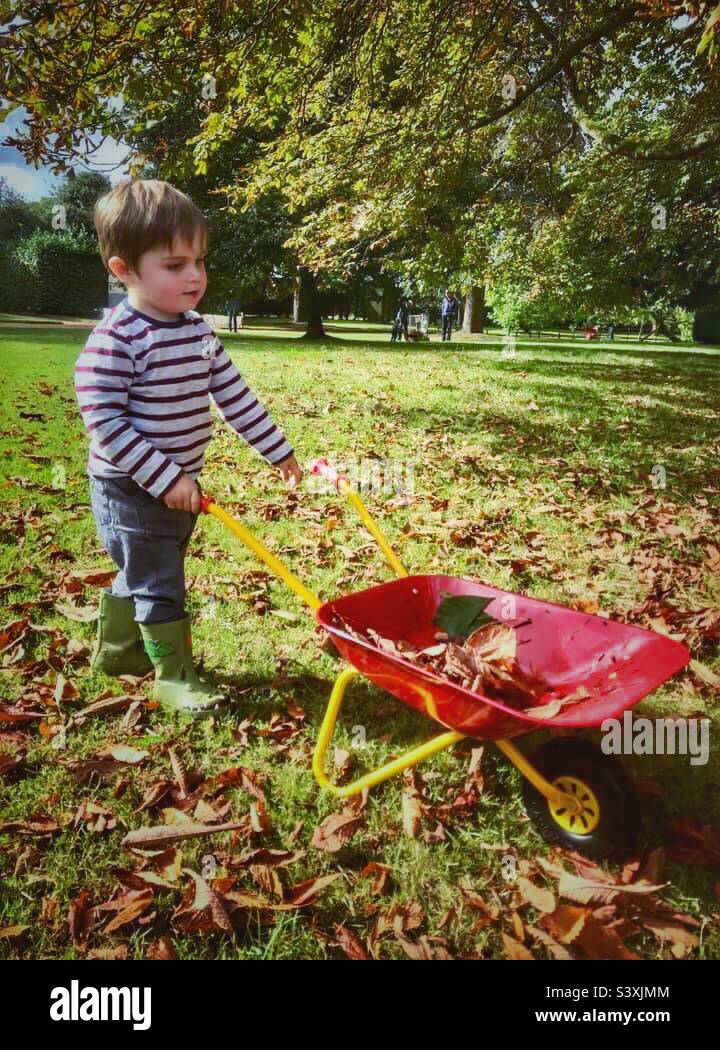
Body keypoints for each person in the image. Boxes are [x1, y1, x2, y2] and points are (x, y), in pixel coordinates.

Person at [75, 179, 302, 716]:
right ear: (124, 270)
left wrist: (276, 449)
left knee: (147, 569)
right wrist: (166, 479)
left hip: (179, 486)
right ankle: (173, 677)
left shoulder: (197, 330)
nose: (195, 276)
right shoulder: (117, 338)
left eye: (199, 260)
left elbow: (233, 394)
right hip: (131, 489)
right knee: (160, 580)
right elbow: (103, 420)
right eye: (175, 265)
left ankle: (118, 650)